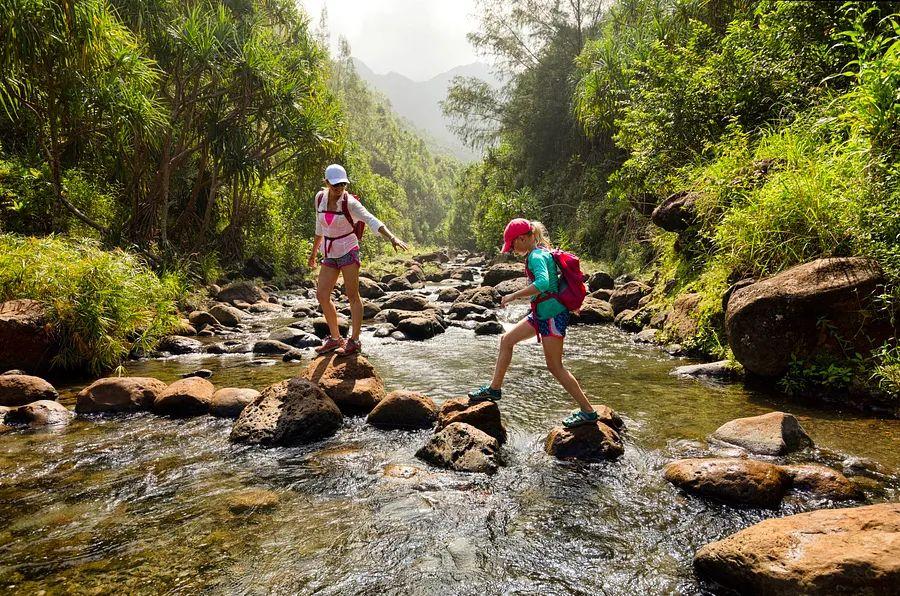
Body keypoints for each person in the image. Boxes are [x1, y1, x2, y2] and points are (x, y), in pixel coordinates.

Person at [467, 218, 600, 428]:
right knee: (507, 340)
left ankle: (588, 411)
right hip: (541, 314)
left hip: (552, 316)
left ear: (522, 238)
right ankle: (494, 389)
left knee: (555, 366)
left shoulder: (537, 255)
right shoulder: (538, 252)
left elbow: (543, 283)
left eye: (512, 244)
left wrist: (513, 296)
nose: (511, 249)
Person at [307, 164, 407, 356]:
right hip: (329, 252)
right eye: (335, 185)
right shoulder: (320, 198)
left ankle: (354, 341)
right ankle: (335, 339)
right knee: (322, 295)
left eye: (343, 185)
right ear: (326, 183)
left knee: (352, 295)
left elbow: (371, 219)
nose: (339, 189)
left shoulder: (350, 203)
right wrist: (313, 253)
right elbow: (319, 228)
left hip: (348, 250)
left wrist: (391, 237)